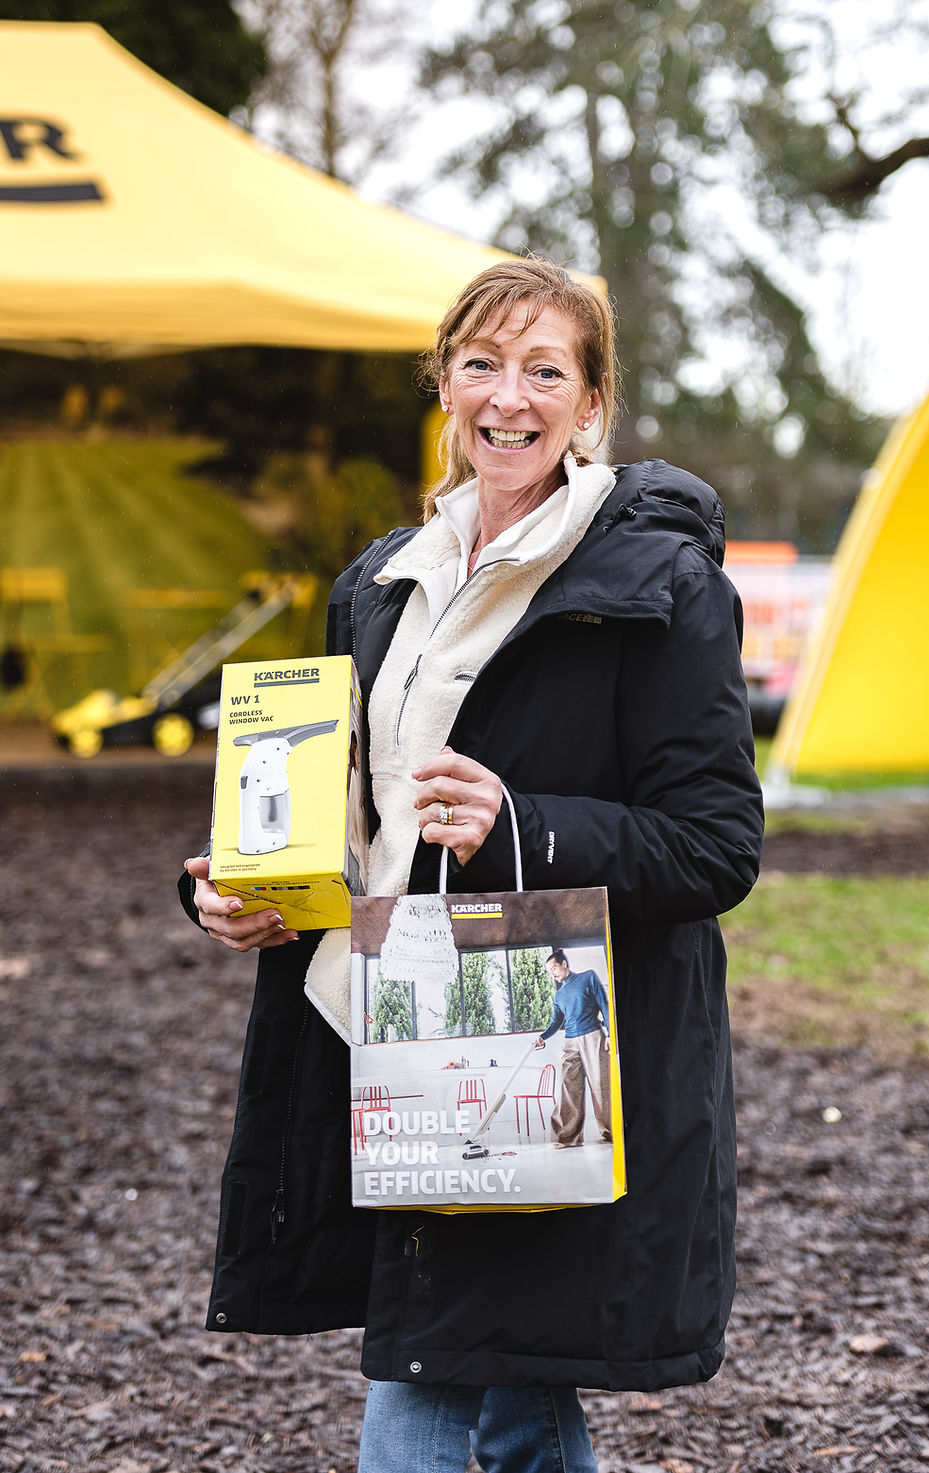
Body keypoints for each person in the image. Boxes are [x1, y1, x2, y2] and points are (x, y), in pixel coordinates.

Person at [180, 258, 765, 1473]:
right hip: (383, 1034)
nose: (511, 396)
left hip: (534, 1050)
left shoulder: (660, 589)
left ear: (590, 404)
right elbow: (351, 819)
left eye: (546, 369)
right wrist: (244, 893)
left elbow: (714, 846)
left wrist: (522, 825)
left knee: (429, 1385)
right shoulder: (382, 582)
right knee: (508, 1385)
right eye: (484, 364)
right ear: (444, 384)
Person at [535, 949, 612, 1148]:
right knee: (568, 1086)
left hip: (593, 1035)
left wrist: (611, 1034)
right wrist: (543, 1037)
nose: (552, 973)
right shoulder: (559, 996)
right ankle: (567, 1137)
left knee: (600, 1085)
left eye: (554, 968)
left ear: (564, 964)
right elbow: (555, 1022)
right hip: (570, 1041)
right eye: (549, 971)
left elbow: (604, 1004)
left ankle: (610, 1132)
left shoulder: (588, 978)